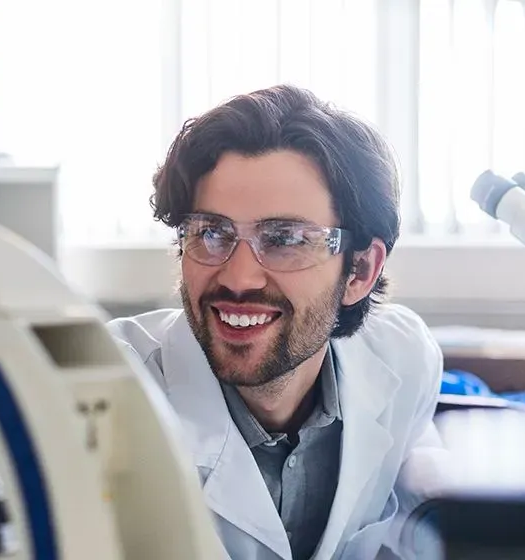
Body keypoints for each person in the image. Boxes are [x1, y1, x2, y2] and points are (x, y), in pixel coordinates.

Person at [108, 85, 448, 560]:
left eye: (285, 238)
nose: (239, 277)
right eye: (210, 233)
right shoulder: (106, 390)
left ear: (360, 271)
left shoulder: (404, 358)